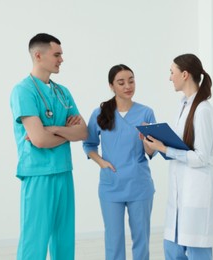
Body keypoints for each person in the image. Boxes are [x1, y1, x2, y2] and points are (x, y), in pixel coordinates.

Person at [10, 33, 88, 260]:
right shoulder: (23, 91)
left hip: (63, 171)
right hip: (37, 173)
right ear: (38, 55)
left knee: (64, 240)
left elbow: (83, 132)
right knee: (34, 241)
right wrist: (65, 131)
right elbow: (39, 141)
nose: (61, 59)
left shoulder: (63, 92)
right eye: (57, 54)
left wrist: (52, 129)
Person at [143, 54, 213, 260]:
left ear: (185, 74)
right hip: (180, 192)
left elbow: (202, 157)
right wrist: (157, 140)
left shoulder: (203, 110)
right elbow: (181, 145)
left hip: (196, 190)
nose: (170, 77)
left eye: (172, 72)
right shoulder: (183, 105)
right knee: (172, 249)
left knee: (196, 252)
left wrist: (165, 149)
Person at [82, 64, 156, 260]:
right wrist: (101, 162)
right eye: (121, 82)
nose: (127, 86)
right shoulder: (100, 113)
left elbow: (151, 151)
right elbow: (89, 144)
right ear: (111, 86)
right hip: (111, 184)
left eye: (131, 81)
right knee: (113, 239)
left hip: (139, 184)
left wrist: (147, 140)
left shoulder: (146, 113)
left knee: (141, 239)